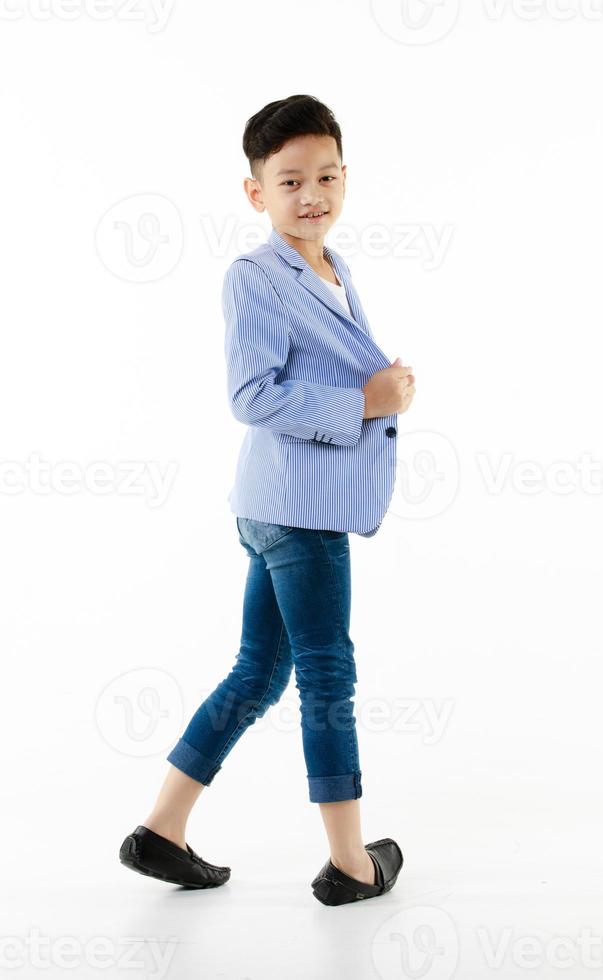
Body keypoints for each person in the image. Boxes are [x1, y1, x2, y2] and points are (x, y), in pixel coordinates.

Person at [119, 94, 416, 905]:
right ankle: (352, 864)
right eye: (290, 181)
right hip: (298, 509)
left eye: (326, 176)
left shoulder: (330, 266)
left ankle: (162, 829)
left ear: (346, 178)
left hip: (282, 504)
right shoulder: (255, 275)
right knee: (327, 674)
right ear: (257, 193)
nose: (311, 194)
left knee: (261, 669)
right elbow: (251, 396)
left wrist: (379, 386)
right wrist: (367, 401)